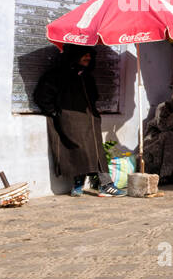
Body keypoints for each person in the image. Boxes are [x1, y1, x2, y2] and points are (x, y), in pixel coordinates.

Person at [33, 45, 124, 197]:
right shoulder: (57, 75)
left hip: (90, 120)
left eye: (89, 55)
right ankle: (82, 184)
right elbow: (42, 96)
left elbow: (94, 96)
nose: (88, 58)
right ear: (74, 55)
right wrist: (56, 113)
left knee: (95, 151)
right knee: (78, 151)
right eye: (84, 55)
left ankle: (104, 184)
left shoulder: (86, 75)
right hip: (70, 120)